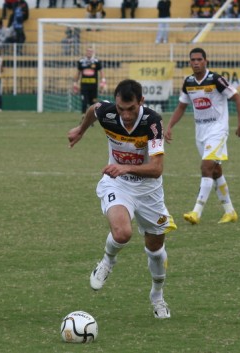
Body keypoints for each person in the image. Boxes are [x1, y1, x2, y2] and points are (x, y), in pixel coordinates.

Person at [67, 79, 177, 319]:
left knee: (156, 248)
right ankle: (107, 261)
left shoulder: (152, 122)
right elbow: (92, 110)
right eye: (121, 109)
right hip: (117, 183)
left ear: (141, 102)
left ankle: (157, 296)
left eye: (131, 109)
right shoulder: (107, 113)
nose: (126, 115)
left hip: (149, 191)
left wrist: (125, 167)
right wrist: (80, 130)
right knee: (122, 233)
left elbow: (157, 168)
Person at [164, 48, 240, 225]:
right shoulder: (188, 82)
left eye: (199, 59)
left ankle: (196, 212)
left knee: (206, 167)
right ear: (189, 62)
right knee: (215, 170)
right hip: (200, 132)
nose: (196, 62)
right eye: (193, 60)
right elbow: (181, 107)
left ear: (205, 61)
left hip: (217, 130)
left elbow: (237, 98)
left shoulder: (216, 79)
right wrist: (170, 125)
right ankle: (230, 211)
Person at [72, 47, 106, 119]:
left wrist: (103, 81)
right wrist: (75, 83)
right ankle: (84, 116)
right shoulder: (81, 61)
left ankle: (92, 117)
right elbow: (78, 73)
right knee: (84, 102)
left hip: (93, 86)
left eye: (90, 51)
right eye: (88, 51)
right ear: (86, 52)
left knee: (93, 102)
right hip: (84, 86)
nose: (89, 53)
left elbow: (101, 72)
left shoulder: (96, 62)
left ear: (93, 52)